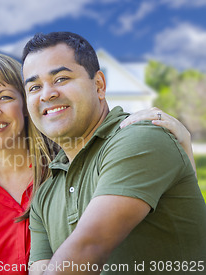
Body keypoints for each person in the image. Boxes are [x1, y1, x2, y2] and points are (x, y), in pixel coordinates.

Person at [0, 53, 196, 275]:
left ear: (26, 104)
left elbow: (170, 219)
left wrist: (182, 145)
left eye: (5, 97)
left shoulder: (66, 168)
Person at [22, 32, 206, 274]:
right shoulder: (44, 195)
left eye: (61, 78)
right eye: (34, 87)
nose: (47, 94)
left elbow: (89, 246)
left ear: (99, 85)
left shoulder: (140, 137)